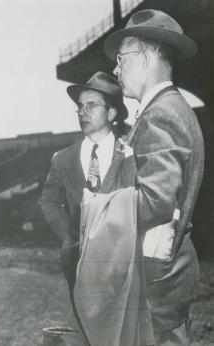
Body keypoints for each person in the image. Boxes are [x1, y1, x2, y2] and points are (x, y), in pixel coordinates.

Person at [101, 9, 204, 345]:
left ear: (144, 58)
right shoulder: (168, 108)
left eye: (121, 59)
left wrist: (97, 209)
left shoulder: (161, 115)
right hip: (163, 279)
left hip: (154, 286)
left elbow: (156, 202)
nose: (116, 69)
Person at [38, 71, 128, 340]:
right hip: (78, 262)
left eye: (92, 105)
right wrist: (69, 236)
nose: (82, 112)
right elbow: (48, 200)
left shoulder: (130, 154)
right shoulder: (63, 159)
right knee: (88, 332)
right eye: (80, 106)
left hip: (123, 261)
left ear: (112, 114)